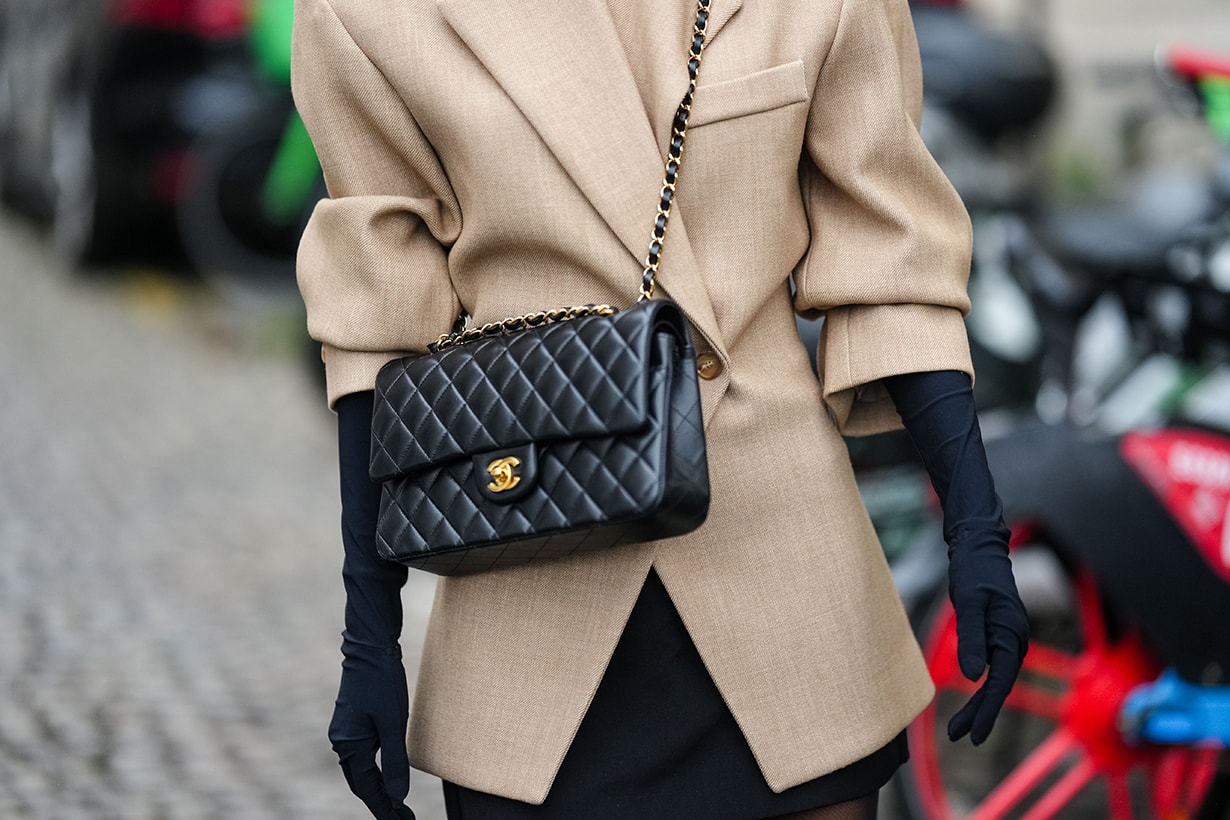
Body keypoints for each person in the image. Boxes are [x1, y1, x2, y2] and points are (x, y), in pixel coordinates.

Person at [290, 0, 1030, 817]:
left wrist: (977, 530)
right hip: (533, 593)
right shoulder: (370, 13)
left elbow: (892, 259)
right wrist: (371, 627)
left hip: (788, 598)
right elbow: (375, 322)